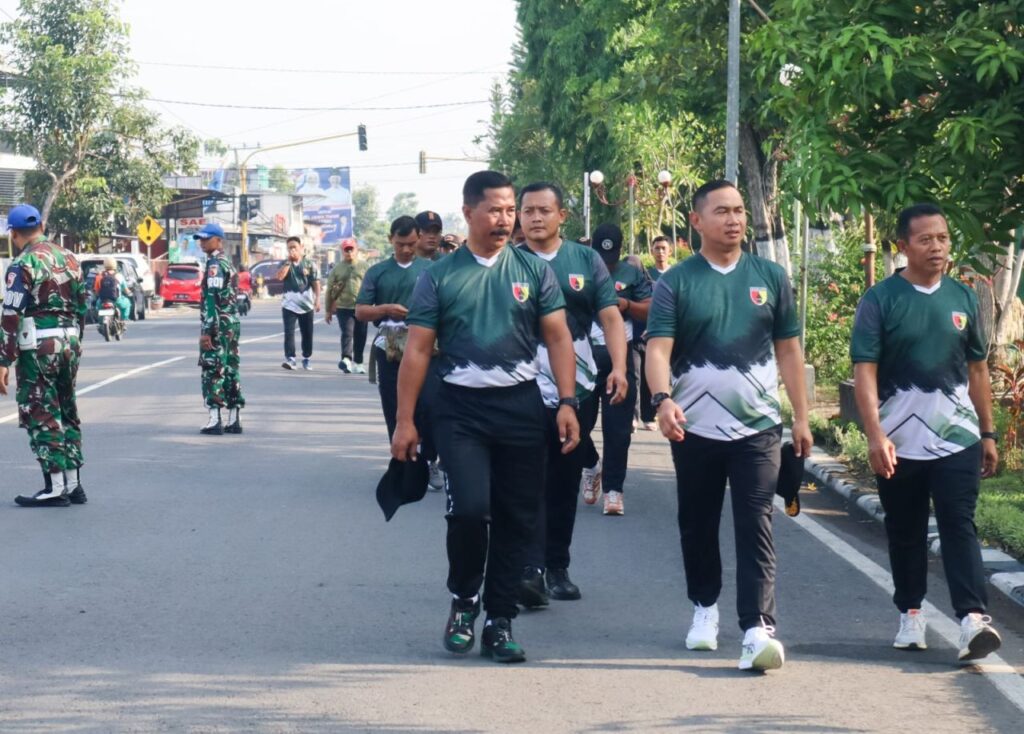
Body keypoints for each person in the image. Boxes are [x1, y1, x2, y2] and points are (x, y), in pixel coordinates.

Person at [392, 170, 579, 664]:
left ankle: (500, 621)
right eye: (493, 210)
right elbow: (417, 352)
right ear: (469, 212)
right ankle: (463, 599)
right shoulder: (440, 275)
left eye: (509, 209)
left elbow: (558, 338)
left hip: (521, 406)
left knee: (518, 519)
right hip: (459, 410)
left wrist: (567, 401)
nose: (504, 219)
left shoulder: (534, 272)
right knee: (470, 509)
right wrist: (405, 422)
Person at [645, 179, 811, 672]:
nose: (735, 219)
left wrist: (801, 416)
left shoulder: (771, 277)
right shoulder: (676, 281)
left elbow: (789, 350)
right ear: (696, 221)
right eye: (722, 211)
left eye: (739, 210)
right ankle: (703, 607)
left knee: (755, 521)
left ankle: (757, 627)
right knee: (697, 522)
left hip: (758, 429)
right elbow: (658, 349)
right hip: (693, 428)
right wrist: (662, 400)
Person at [851, 203, 1002, 664]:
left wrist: (988, 432)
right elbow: (865, 371)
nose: (937, 247)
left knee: (959, 523)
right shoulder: (881, 300)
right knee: (905, 529)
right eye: (926, 239)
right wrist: (876, 436)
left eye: (943, 238)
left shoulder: (962, 297)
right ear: (903, 246)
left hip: (957, 437)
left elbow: (977, 370)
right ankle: (911, 611)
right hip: (898, 441)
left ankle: (972, 619)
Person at [516, 182, 628, 607]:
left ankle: (557, 566)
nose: (536, 218)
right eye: (528, 211)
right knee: (526, 480)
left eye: (545, 210)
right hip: (520, 385)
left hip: (576, 388)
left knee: (563, 481)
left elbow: (611, 318)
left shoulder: (586, 260)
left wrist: (618, 367)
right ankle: (529, 569)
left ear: (562, 216)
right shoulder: (509, 261)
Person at [0, 204, 88, 507]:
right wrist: (76, 343)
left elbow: (11, 313)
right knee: (67, 410)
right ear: (40, 225)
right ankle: (74, 484)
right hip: (69, 342)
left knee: (41, 412)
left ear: (13, 233)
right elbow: (82, 305)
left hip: (38, 345)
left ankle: (54, 488)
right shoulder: (69, 258)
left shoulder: (23, 263)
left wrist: (3, 360)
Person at [578, 223, 652, 516]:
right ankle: (589, 464)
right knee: (576, 425)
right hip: (584, 358)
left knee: (618, 429)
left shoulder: (633, 272)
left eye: (611, 261)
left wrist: (626, 304)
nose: (606, 267)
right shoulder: (580, 270)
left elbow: (650, 306)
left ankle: (613, 489)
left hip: (620, 358)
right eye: (601, 259)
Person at [195, 222, 245, 435]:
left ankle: (215, 418)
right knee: (231, 368)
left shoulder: (215, 264)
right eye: (201, 239)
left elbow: (212, 299)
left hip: (218, 325)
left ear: (218, 240)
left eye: (207, 238)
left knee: (213, 369)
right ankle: (234, 417)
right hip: (231, 323)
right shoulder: (227, 263)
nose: (202, 242)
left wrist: (207, 331)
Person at [637, 236, 674, 430]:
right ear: (652, 251)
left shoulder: (676, 274)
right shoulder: (646, 275)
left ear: (671, 251)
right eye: (657, 248)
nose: (660, 252)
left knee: (670, 375)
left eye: (663, 248)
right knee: (645, 374)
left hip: (671, 332)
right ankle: (647, 416)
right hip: (646, 332)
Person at [277, 236, 321, 371]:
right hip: (288, 305)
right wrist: (288, 263)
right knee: (288, 332)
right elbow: (280, 277)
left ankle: (307, 358)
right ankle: (290, 359)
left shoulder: (310, 264)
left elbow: (315, 283)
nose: (292, 250)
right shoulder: (285, 264)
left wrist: (317, 299)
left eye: (294, 247)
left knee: (307, 332)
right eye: (289, 248)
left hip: (306, 305)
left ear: (301, 248)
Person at [325, 240, 368, 374]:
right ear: (342, 251)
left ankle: (359, 362)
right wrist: (328, 310)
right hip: (343, 306)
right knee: (347, 332)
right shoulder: (337, 269)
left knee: (361, 334)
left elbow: (372, 286)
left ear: (357, 250)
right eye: (346, 250)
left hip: (361, 307)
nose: (349, 252)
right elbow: (330, 290)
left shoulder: (364, 266)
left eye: (351, 249)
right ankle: (346, 359)